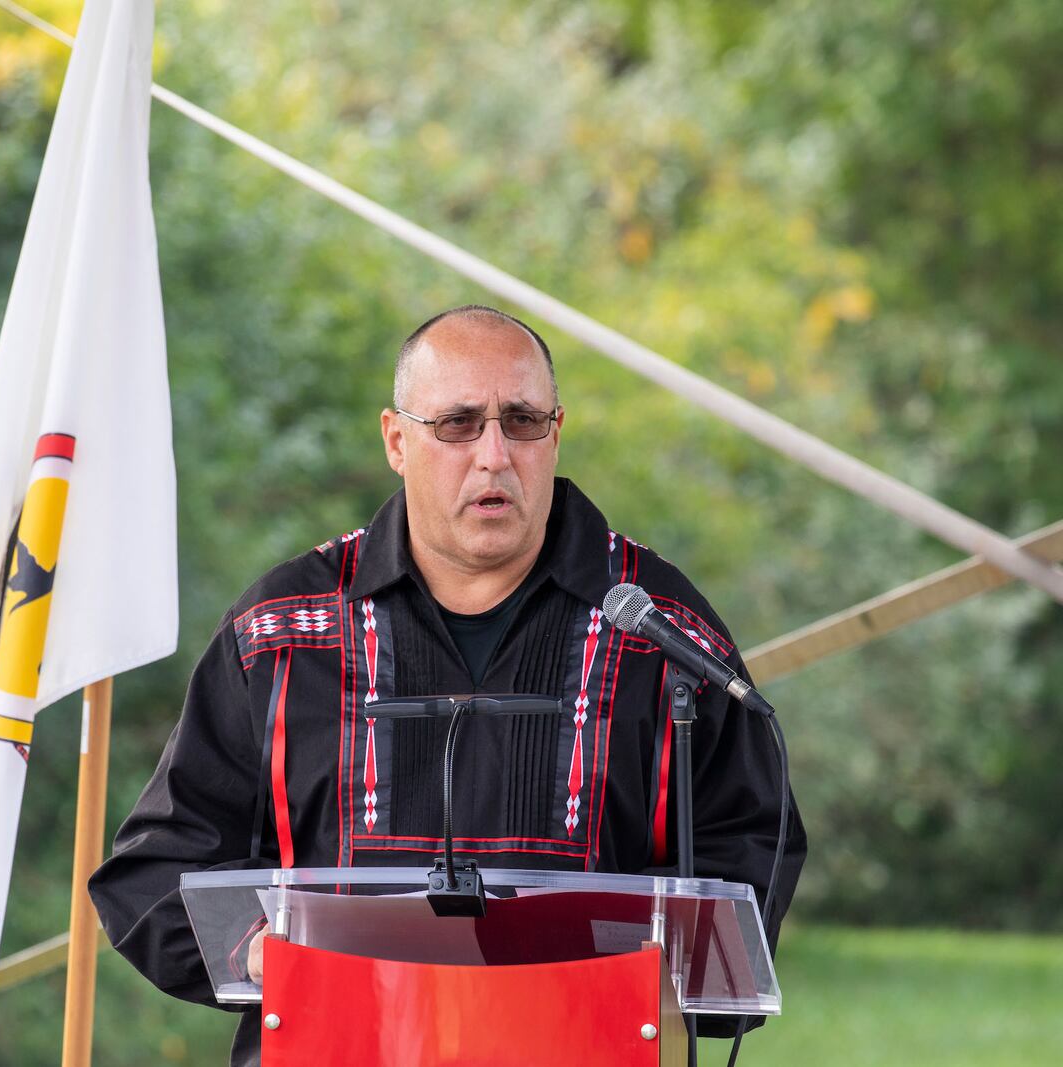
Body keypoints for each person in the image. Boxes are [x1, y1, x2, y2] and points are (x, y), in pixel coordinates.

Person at [89, 305, 805, 1064]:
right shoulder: (285, 631)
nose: (494, 455)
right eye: (459, 424)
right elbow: (153, 871)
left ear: (556, 431)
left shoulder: (662, 631)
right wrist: (268, 953)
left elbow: (753, 850)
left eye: (521, 421)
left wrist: (668, 976)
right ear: (397, 440)